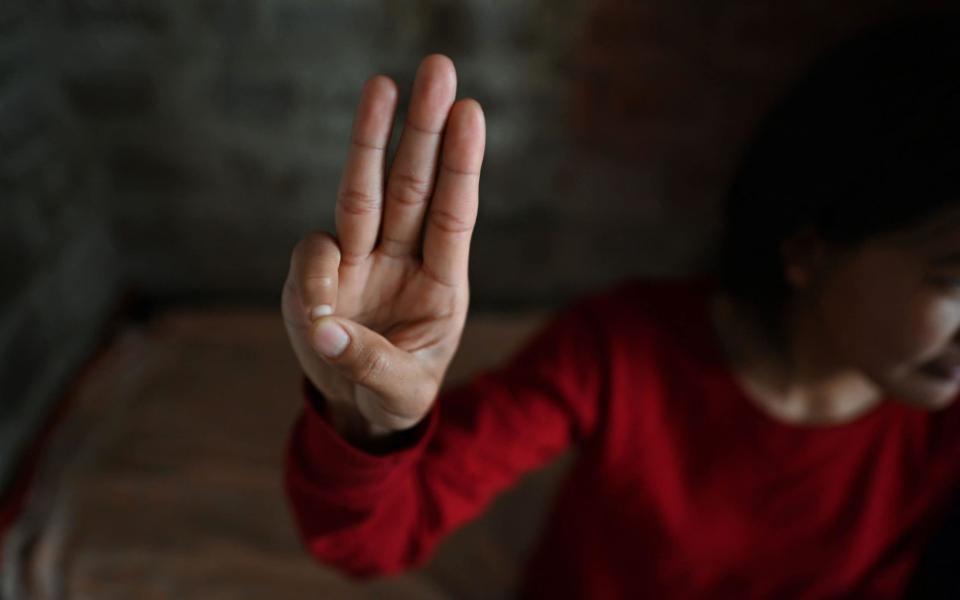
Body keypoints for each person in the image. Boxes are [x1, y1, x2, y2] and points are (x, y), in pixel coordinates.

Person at [280, 11, 960, 598]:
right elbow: (368, 542)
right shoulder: (621, 355)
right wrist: (366, 422)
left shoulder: (939, 438)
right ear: (810, 250)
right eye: (953, 280)